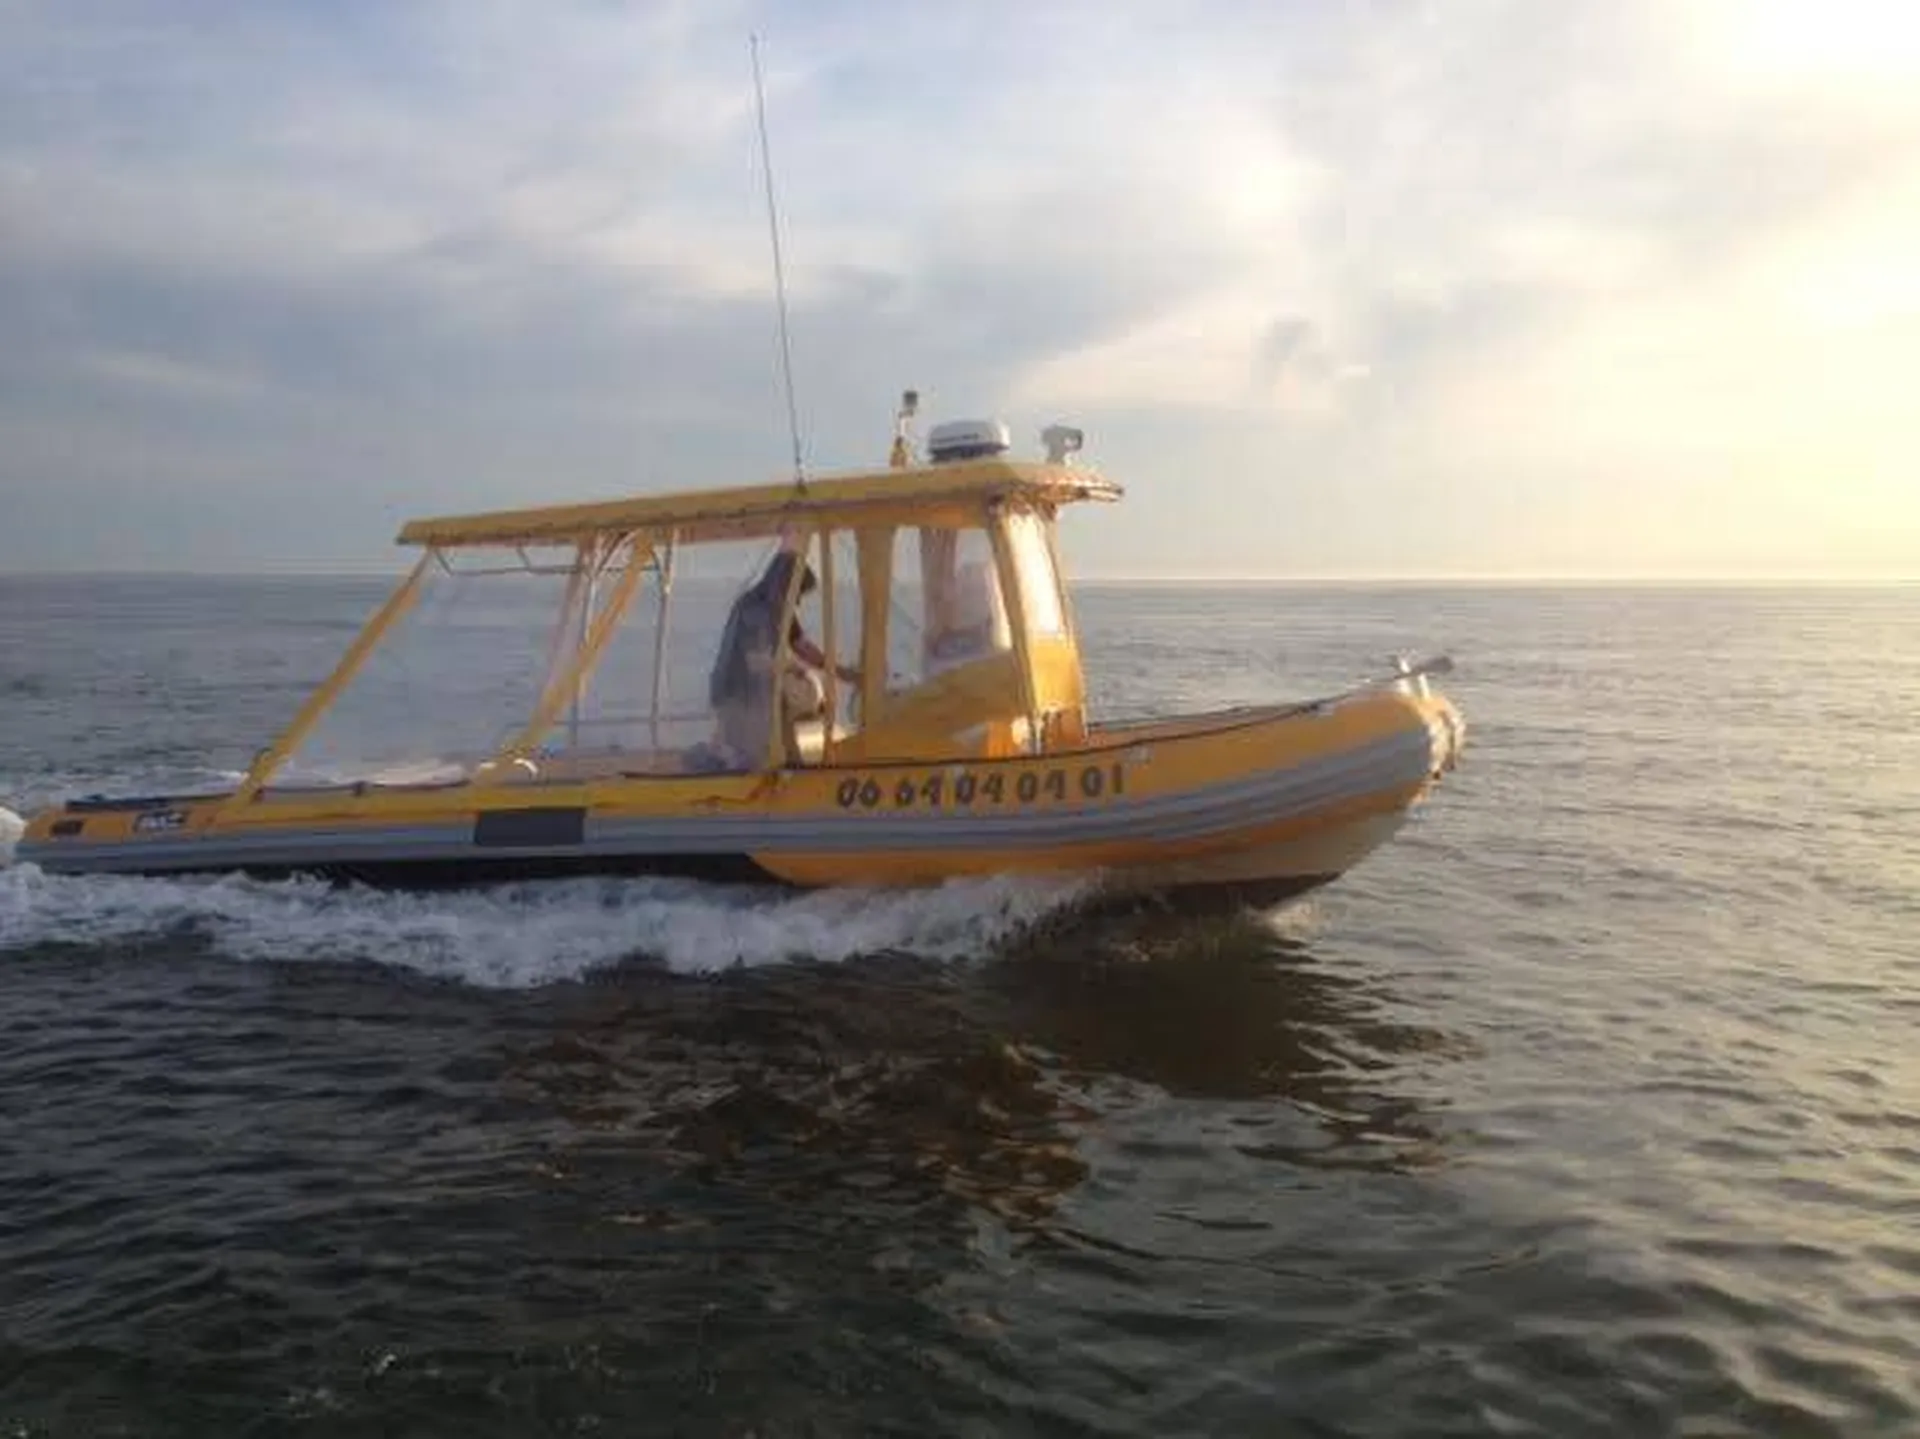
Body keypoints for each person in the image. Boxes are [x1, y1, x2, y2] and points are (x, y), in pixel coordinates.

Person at [708, 551, 858, 764]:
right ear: (785, 585)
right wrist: (794, 668)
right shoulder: (755, 610)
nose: (797, 602)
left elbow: (801, 645)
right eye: (796, 594)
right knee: (761, 760)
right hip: (741, 700)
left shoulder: (778, 610)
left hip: (764, 700)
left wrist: (840, 672)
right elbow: (755, 660)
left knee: (790, 741)